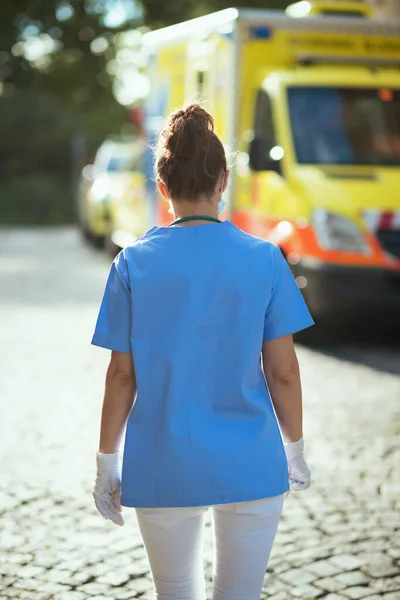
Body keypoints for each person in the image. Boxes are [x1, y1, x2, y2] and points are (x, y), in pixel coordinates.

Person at [91, 104, 314, 600]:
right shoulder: (266, 259)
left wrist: (107, 460)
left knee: (176, 594)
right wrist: (294, 447)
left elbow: (121, 377)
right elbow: (283, 373)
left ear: (162, 187)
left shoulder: (132, 264)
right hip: (251, 461)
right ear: (224, 181)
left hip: (162, 460)